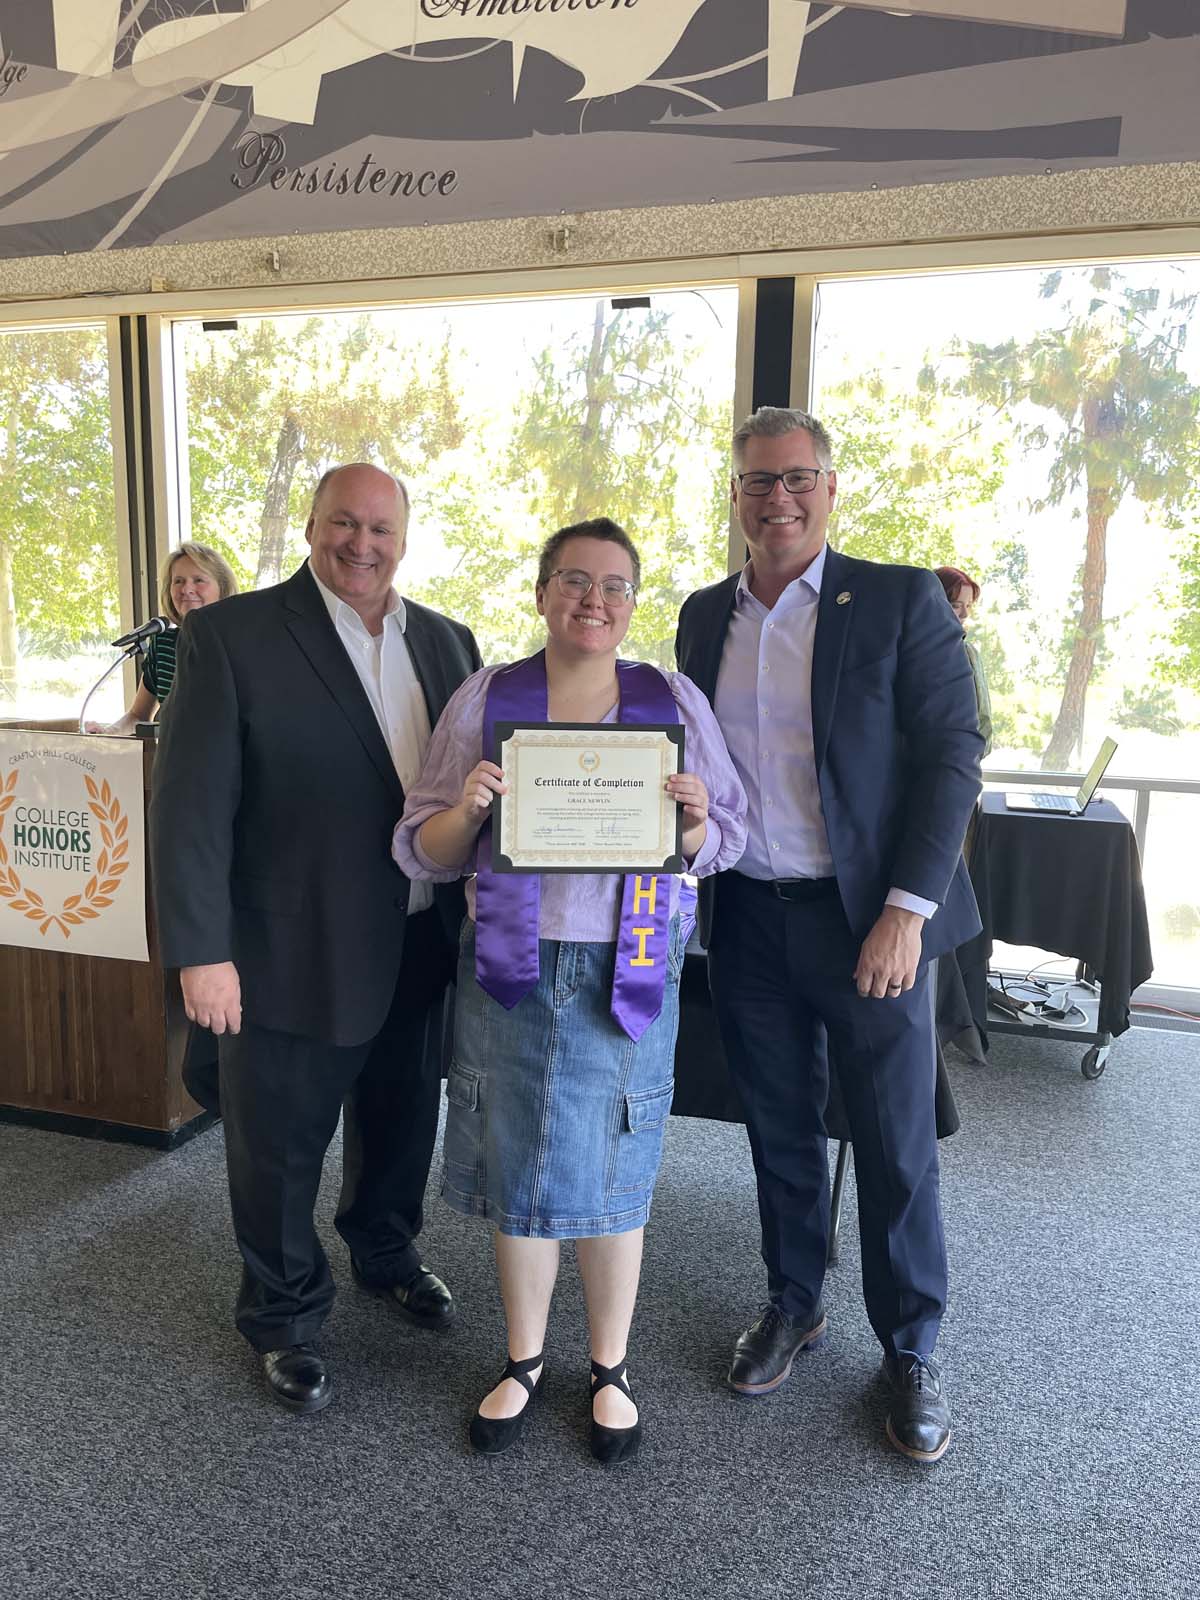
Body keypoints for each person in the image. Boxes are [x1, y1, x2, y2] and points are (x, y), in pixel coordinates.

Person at [394, 517, 746, 1464]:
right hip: (509, 964)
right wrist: (467, 809)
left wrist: (691, 829)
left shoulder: (670, 700)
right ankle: (522, 1359)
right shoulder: (486, 697)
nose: (595, 600)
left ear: (635, 602)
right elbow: (418, 844)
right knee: (519, 1163)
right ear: (542, 590)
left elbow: (728, 840)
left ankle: (611, 1365)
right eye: (575, 581)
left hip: (626, 968)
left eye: (615, 585)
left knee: (614, 1163)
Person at [675, 407, 982, 1464]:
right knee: (779, 1126)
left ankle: (911, 1346)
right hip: (752, 917)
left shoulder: (895, 598)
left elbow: (953, 754)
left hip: (870, 924)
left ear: (831, 484)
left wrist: (908, 908)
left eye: (797, 477)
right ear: (737, 495)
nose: (779, 499)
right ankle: (794, 1300)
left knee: (894, 1140)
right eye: (758, 482)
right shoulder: (702, 614)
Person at [150, 463, 481, 1415]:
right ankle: (284, 1314)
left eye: (382, 528)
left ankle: (384, 1250)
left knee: (403, 1118)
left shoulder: (450, 643)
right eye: (344, 523)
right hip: (282, 951)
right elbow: (189, 812)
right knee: (277, 1145)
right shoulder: (231, 635)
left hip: (418, 944)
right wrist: (199, 954)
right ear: (310, 526)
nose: (362, 544)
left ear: (405, 538)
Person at [85, 542, 237, 734]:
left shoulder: (241, 643)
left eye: (198, 580)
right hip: (176, 760)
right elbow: (138, 715)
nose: (186, 589)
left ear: (222, 588)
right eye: (178, 581)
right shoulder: (163, 642)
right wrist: (109, 732)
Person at [936, 564, 993, 757]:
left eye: (968, 605)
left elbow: (983, 719)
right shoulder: (906, 653)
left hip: (960, 763)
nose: (965, 614)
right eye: (956, 605)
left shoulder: (968, 653)